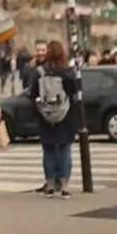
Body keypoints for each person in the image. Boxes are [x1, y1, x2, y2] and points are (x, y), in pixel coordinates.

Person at [29, 40, 77, 199]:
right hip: (65, 114)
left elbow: (32, 94)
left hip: (45, 115)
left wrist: (40, 109)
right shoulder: (67, 71)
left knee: (48, 150)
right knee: (64, 150)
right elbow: (74, 92)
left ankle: (49, 184)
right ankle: (64, 186)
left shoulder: (39, 72)